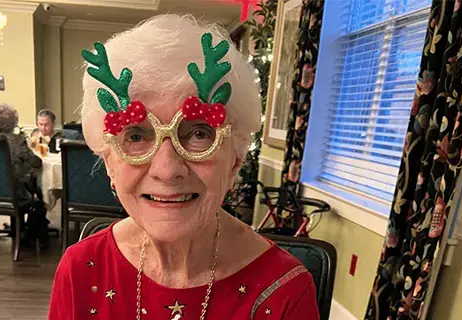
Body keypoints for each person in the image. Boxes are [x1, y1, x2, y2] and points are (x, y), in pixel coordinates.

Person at [48, 15, 319, 320]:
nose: (166, 170)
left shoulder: (285, 291)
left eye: (199, 134)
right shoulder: (81, 272)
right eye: (136, 136)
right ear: (110, 161)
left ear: (236, 159)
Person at [0, 103, 50, 246]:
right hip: (14, 194)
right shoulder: (17, 141)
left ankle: (21, 228)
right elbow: (36, 162)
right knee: (34, 190)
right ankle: (31, 231)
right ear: (14, 122)